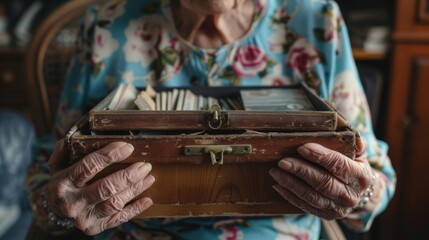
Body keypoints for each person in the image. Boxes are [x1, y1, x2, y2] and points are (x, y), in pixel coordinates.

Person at [26, 0, 396, 239]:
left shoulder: (317, 19)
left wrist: (359, 192)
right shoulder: (105, 26)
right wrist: (57, 207)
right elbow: (46, 179)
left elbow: (378, 179)